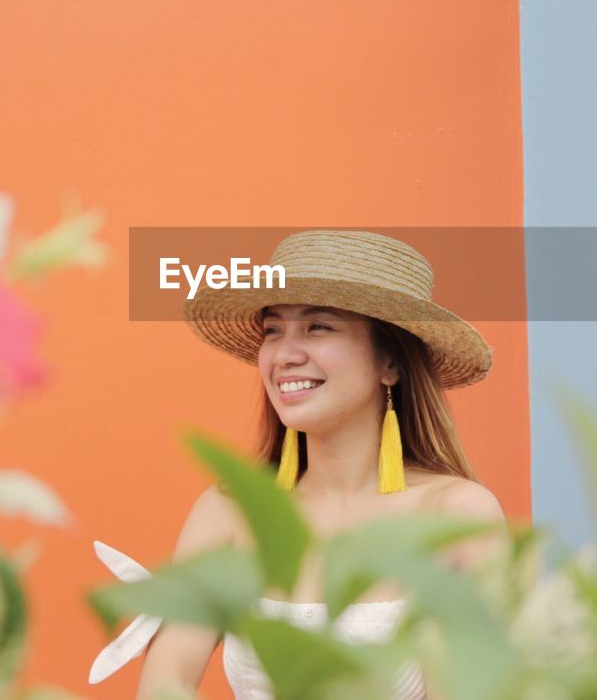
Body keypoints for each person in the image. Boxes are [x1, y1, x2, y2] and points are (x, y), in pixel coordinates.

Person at [94, 230, 507, 699]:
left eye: (318, 327)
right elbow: (163, 689)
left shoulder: (456, 516)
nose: (285, 355)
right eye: (274, 330)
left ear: (389, 362)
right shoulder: (229, 511)